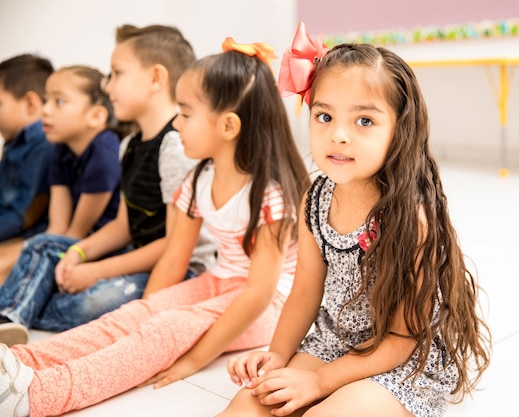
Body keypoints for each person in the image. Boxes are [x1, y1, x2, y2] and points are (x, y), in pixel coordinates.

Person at [0, 36, 310, 417]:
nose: (176, 124)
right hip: (219, 280)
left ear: (228, 125)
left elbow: (258, 294)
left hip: (266, 304)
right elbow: (173, 259)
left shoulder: (269, 196)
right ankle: (16, 362)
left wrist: (193, 358)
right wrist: (148, 311)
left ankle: (35, 396)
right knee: (131, 316)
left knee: (168, 330)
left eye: (185, 113)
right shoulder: (199, 179)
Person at [218, 23, 492, 417]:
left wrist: (318, 382)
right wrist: (277, 356)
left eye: (364, 121)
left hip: (398, 359)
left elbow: (403, 338)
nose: (338, 135)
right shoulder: (316, 198)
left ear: (399, 131)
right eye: (324, 116)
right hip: (335, 340)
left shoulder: (409, 218)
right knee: (249, 406)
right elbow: (303, 294)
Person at [0, 24, 209, 338]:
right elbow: (123, 226)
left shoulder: (176, 146)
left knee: (91, 301)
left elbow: (174, 246)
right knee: (44, 245)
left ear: (156, 78)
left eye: (116, 74)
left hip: (179, 268)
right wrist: (79, 253)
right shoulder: (129, 146)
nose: (108, 87)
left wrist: (96, 271)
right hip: (133, 254)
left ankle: (24, 307)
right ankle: (9, 316)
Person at [0, 65, 125, 294]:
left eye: (58, 102)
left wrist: (17, 262)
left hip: (99, 249)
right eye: (46, 100)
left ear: (96, 115)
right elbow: (57, 229)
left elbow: (77, 233)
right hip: (70, 242)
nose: (45, 110)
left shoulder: (104, 151)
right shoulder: (60, 148)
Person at [0, 54, 55, 275]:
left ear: (31, 103)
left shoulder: (43, 143)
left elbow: (25, 214)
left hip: (28, 235)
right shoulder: (14, 143)